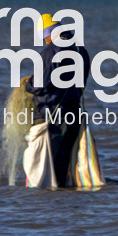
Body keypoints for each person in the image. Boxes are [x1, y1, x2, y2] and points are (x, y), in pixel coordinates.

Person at [23, 13, 94, 187]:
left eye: (45, 37)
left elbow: (41, 86)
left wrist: (28, 84)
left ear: (48, 33)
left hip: (53, 117)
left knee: (47, 168)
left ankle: (53, 206)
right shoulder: (81, 51)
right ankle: (64, 202)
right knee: (64, 164)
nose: (45, 41)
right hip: (74, 114)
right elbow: (81, 84)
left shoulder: (49, 52)